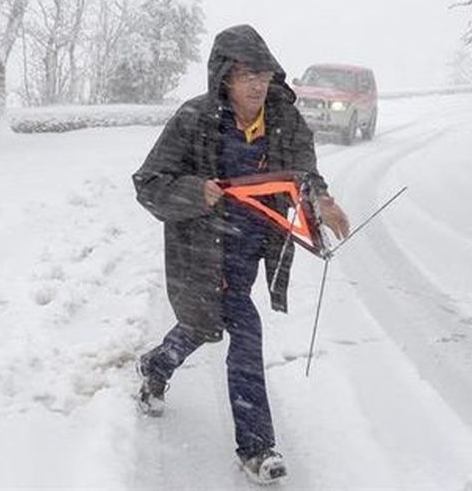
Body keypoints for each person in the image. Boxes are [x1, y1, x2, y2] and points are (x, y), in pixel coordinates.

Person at [132, 24, 350, 484]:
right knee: (244, 329)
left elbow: (303, 173)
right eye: (247, 74)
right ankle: (256, 447)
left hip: (250, 246)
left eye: (264, 74)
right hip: (201, 247)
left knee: (204, 323)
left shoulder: (283, 120)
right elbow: (148, 183)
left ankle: (156, 364)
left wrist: (321, 202)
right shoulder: (194, 120)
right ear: (225, 77)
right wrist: (196, 192)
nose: (256, 84)